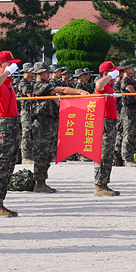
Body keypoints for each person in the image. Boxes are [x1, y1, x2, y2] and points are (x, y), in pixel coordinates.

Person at [28, 62, 88, 193]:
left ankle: (42, 180)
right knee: (41, 154)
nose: (48, 74)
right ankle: (39, 182)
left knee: (48, 153)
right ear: (38, 74)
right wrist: (79, 91)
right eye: (45, 72)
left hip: (50, 122)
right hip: (41, 123)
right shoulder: (39, 86)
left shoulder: (46, 85)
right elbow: (62, 90)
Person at [0, 51, 22, 217]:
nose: (12, 66)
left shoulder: (8, 82)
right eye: (9, 64)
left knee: (8, 166)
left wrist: (8, 75)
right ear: (0, 65)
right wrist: (7, 72)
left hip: (12, 126)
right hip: (3, 127)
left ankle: (1, 201)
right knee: (0, 165)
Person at [93, 62, 122, 196]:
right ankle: (99, 185)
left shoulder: (110, 86)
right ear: (106, 73)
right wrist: (109, 75)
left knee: (109, 154)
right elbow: (98, 85)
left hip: (111, 122)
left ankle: (104, 183)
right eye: (113, 73)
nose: (116, 76)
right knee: (103, 154)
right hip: (104, 122)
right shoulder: (102, 85)